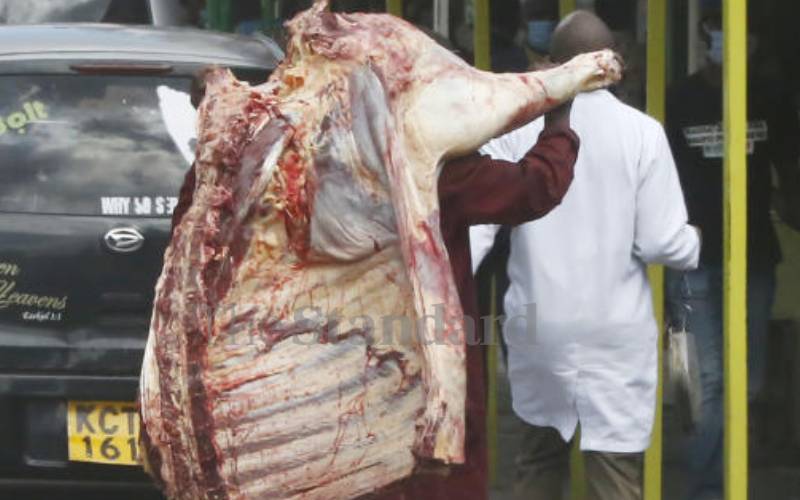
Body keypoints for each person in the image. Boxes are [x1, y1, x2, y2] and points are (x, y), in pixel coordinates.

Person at [176, 68, 583, 500]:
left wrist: (222, 141)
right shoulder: (427, 166)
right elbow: (534, 186)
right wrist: (558, 118)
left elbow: (196, 226)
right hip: (418, 369)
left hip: (320, 370)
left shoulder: (287, 161)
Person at [471, 11, 701, 500]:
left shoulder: (518, 131)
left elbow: (478, 230)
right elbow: (661, 243)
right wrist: (693, 241)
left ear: (553, 63)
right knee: (615, 475)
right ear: (613, 63)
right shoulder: (642, 133)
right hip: (615, 335)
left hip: (539, 327)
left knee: (537, 463)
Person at [665, 4, 800, 499]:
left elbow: (790, 167)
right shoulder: (680, 99)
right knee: (710, 380)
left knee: (749, 381)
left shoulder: (768, 97)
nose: (729, 41)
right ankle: (709, 488)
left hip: (754, 255)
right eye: (719, 31)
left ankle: (725, 478)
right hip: (695, 259)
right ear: (705, 38)